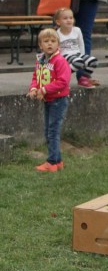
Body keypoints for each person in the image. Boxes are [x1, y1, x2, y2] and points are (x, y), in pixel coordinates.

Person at [27, 28, 71, 172]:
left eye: (53, 41)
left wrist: (44, 90)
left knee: (52, 132)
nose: (50, 44)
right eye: (46, 41)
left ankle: (51, 162)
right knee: (49, 131)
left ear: (58, 44)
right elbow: (36, 77)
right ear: (40, 45)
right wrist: (34, 88)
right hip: (48, 100)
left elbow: (63, 81)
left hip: (58, 100)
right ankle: (58, 162)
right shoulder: (40, 61)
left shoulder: (60, 61)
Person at [54, 7, 99, 84]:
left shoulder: (77, 30)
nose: (69, 20)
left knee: (93, 61)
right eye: (65, 18)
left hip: (77, 54)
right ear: (58, 22)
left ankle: (84, 77)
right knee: (78, 62)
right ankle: (62, 75)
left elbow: (81, 44)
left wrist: (83, 55)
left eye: (71, 18)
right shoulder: (56, 34)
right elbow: (55, 49)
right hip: (64, 56)